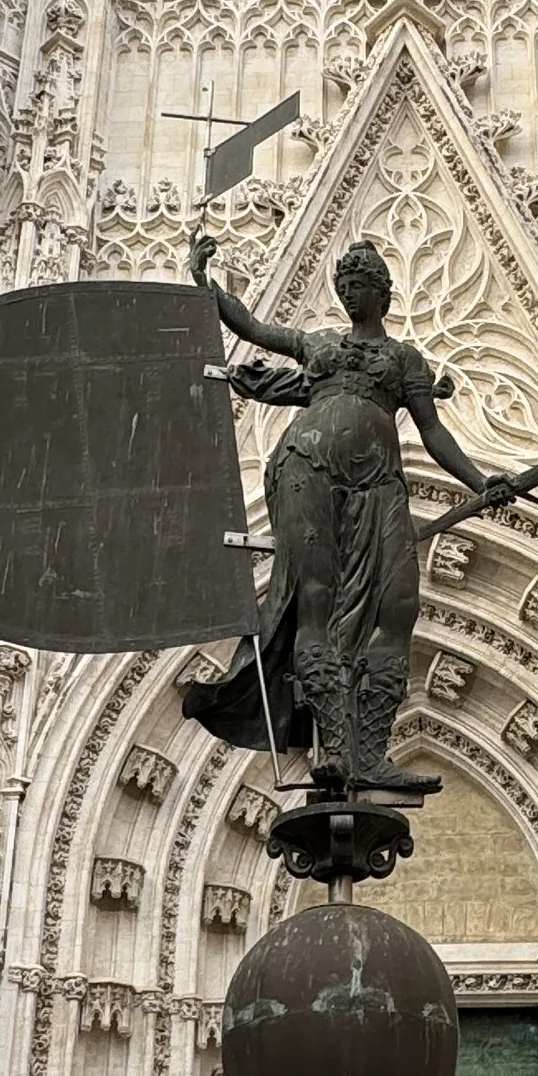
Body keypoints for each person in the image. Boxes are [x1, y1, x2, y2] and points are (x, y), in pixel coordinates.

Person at [181, 232, 511, 794]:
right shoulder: (317, 346)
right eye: (344, 287)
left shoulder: (403, 359)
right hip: (307, 466)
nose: (350, 296)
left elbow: (432, 431)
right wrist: (204, 282)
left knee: (398, 602)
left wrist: (481, 482)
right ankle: (336, 747)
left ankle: (371, 752)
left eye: (360, 287)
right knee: (315, 602)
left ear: (383, 295)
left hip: (378, 483)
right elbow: (254, 329)